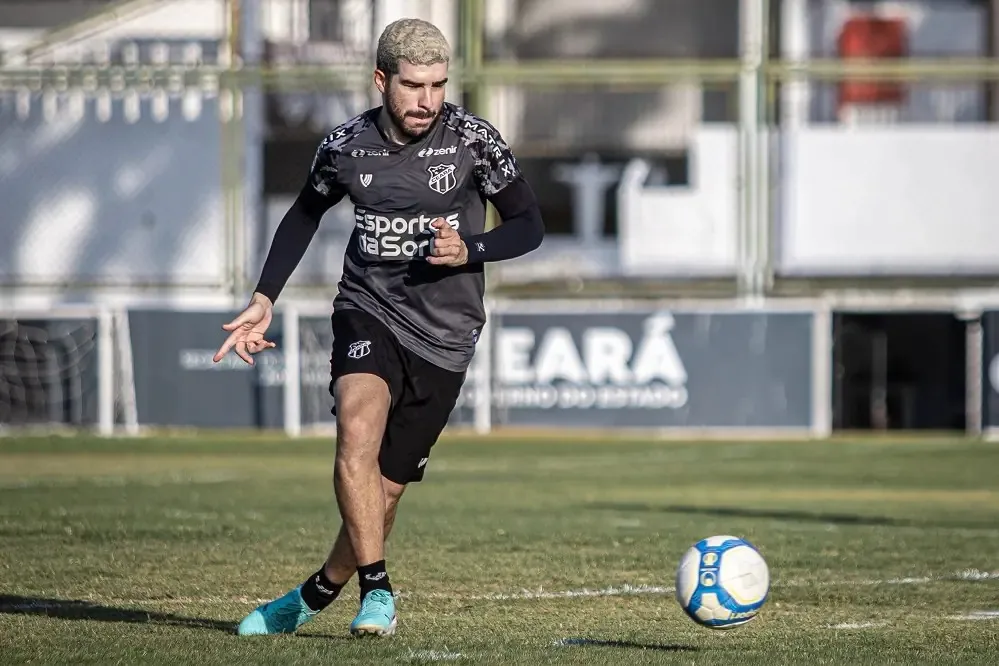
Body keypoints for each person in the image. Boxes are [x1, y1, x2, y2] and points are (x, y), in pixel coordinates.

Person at [213, 18, 544, 638]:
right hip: (368, 306)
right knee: (355, 432)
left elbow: (529, 225)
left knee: (383, 493)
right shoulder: (344, 146)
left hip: (446, 335)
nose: (427, 100)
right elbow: (304, 214)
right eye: (414, 85)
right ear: (380, 80)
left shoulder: (474, 141)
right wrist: (264, 296)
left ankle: (314, 593)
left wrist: (470, 250)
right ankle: (379, 592)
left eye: (438, 86)